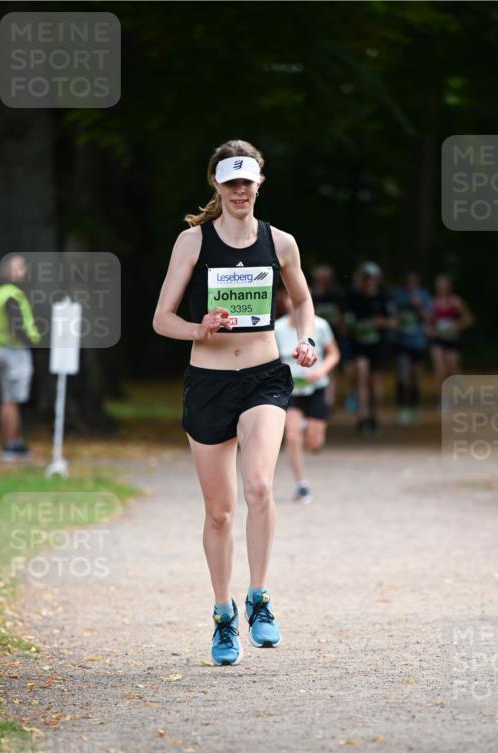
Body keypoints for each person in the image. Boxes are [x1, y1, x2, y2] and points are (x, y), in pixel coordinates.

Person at [153, 139, 318, 666]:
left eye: (248, 181)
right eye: (231, 182)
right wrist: (198, 328)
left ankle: (259, 600)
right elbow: (162, 319)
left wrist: (307, 339)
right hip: (208, 382)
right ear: (217, 186)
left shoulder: (282, 242)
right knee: (221, 513)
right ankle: (223, 613)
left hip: (265, 376)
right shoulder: (192, 243)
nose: (240, 191)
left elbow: (304, 300)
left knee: (260, 485)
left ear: (259, 184)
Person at [275, 292, 340, 503]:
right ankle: (301, 485)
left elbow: (334, 353)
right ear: (284, 303)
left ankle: (306, 426)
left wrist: (321, 371)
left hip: (316, 389)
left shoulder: (319, 326)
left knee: (314, 444)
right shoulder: (277, 328)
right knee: (292, 436)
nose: (293, 304)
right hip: (290, 391)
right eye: (289, 300)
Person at [0, 253, 42, 461]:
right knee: (12, 400)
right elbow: (18, 327)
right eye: (19, 267)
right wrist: (36, 343)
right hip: (13, 352)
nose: (23, 271)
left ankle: (14, 442)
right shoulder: (11, 294)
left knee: (7, 399)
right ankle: (11, 444)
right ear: (7, 270)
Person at [344, 262, 397, 433]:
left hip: (378, 345)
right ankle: (362, 417)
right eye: (365, 277)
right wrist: (350, 326)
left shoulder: (384, 297)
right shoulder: (353, 297)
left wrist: (382, 322)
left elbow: (394, 322)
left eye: (371, 277)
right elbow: (344, 321)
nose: (368, 281)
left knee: (375, 382)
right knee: (361, 375)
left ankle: (374, 415)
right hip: (358, 345)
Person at [390, 271, 433, 425]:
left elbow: (429, 318)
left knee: (416, 377)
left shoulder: (424, 295)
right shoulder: (397, 295)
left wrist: (418, 305)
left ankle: (414, 407)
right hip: (401, 342)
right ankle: (402, 408)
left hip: (418, 343)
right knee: (402, 375)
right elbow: (391, 316)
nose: (411, 284)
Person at [309, 265, 347, 409]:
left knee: (330, 369)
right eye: (321, 278)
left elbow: (342, 316)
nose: (324, 281)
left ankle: (328, 403)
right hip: (313, 336)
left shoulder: (336, 295)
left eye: (326, 278)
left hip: (332, 336)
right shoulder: (310, 294)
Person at [430, 273, 474, 398]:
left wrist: (456, 326)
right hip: (437, 340)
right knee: (440, 369)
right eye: (438, 285)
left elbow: (469, 319)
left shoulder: (455, 301)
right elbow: (427, 322)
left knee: (450, 369)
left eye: (443, 285)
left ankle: (456, 380)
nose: (441, 288)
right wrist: (429, 329)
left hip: (452, 340)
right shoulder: (432, 302)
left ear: (448, 287)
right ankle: (442, 400)